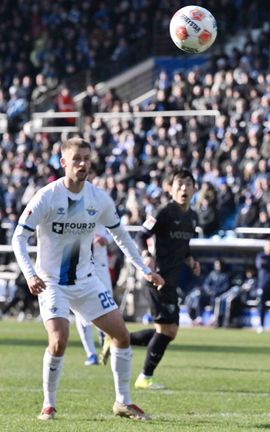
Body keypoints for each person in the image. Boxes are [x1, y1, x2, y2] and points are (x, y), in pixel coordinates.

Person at [11, 137, 164, 421]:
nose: (82, 164)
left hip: (85, 280)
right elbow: (19, 237)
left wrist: (145, 269)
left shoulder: (98, 199)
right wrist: (30, 274)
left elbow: (122, 237)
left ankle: (123, 402)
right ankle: (49, 404)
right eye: (77, 158)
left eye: (87, 159)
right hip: (51, 281)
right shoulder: (47, 196)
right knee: (59, 339)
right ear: (63, 162)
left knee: (121, 335)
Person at [106, 169, 200, 390]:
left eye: (188, 184)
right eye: (179, 184)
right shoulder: (164, 211)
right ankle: (144, 377)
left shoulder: (192, 216)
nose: (184, 188)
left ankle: (118, 340)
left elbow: (182, 246)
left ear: (195, 188)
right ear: (170, 188)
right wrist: (147, 256)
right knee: (167, 331)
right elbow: (140, 235)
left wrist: (191, 260)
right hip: (158, 278)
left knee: (167, 331)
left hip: (172, 279)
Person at [75, 225, 112, 366]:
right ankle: (90, 353)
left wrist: (106, 239)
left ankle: (105, 339)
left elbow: (117, 230)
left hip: (100, 265)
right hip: (80, 266)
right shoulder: (73, 207)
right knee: (81, 310)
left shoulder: (103, 204)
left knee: (106, 305)